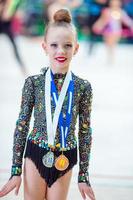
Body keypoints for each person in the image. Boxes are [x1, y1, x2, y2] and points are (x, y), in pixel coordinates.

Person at [0, 8, 95, 200]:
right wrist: (16, 171)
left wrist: (83, 175)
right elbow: (22, 125)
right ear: (45, 47)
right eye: (54, 45)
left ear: (76, 48)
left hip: (65, 158)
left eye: (68, 45)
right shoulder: (34, 83)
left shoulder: (82, 87)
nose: (61, 51)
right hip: (36, 154)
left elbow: (85, 131)